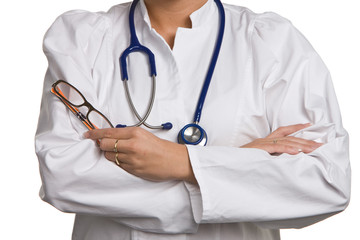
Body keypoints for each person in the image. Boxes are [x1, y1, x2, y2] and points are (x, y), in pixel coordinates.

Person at [35, 0, 351, 239]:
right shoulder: (82, 40)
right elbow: (64, 178)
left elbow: (325, 183)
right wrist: (239, 164)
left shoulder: (275, 42)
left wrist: (181, 162)